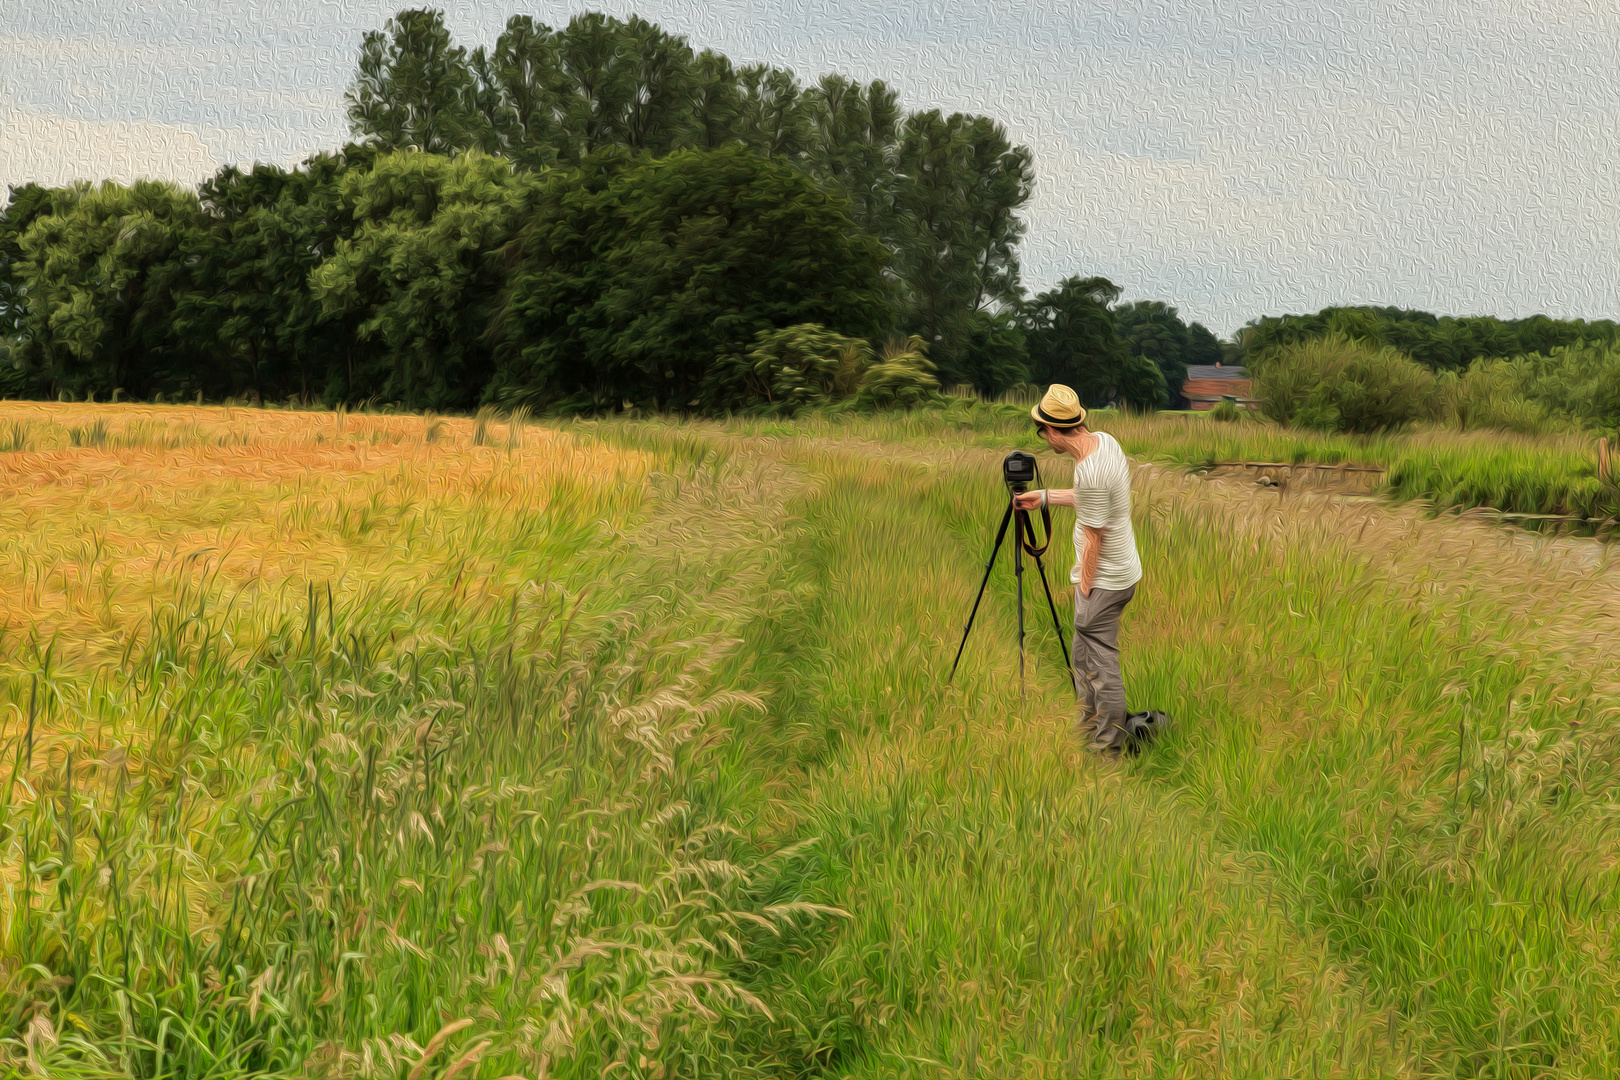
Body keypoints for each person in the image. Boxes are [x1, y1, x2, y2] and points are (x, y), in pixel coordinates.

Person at [1012, 384, 1143, 756]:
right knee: (1083, 659)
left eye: (1042, 431)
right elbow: (1092, 498)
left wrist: (1083, 592)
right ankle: (1086, 730)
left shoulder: (1090, 470)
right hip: (1118, 572)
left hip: (1104, 582)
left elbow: (1094, 538)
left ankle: (1108, 752)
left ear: (1052, 432)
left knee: (1102, 670)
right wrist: (1045, 496)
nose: (1043, 438)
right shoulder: (1104, 441)